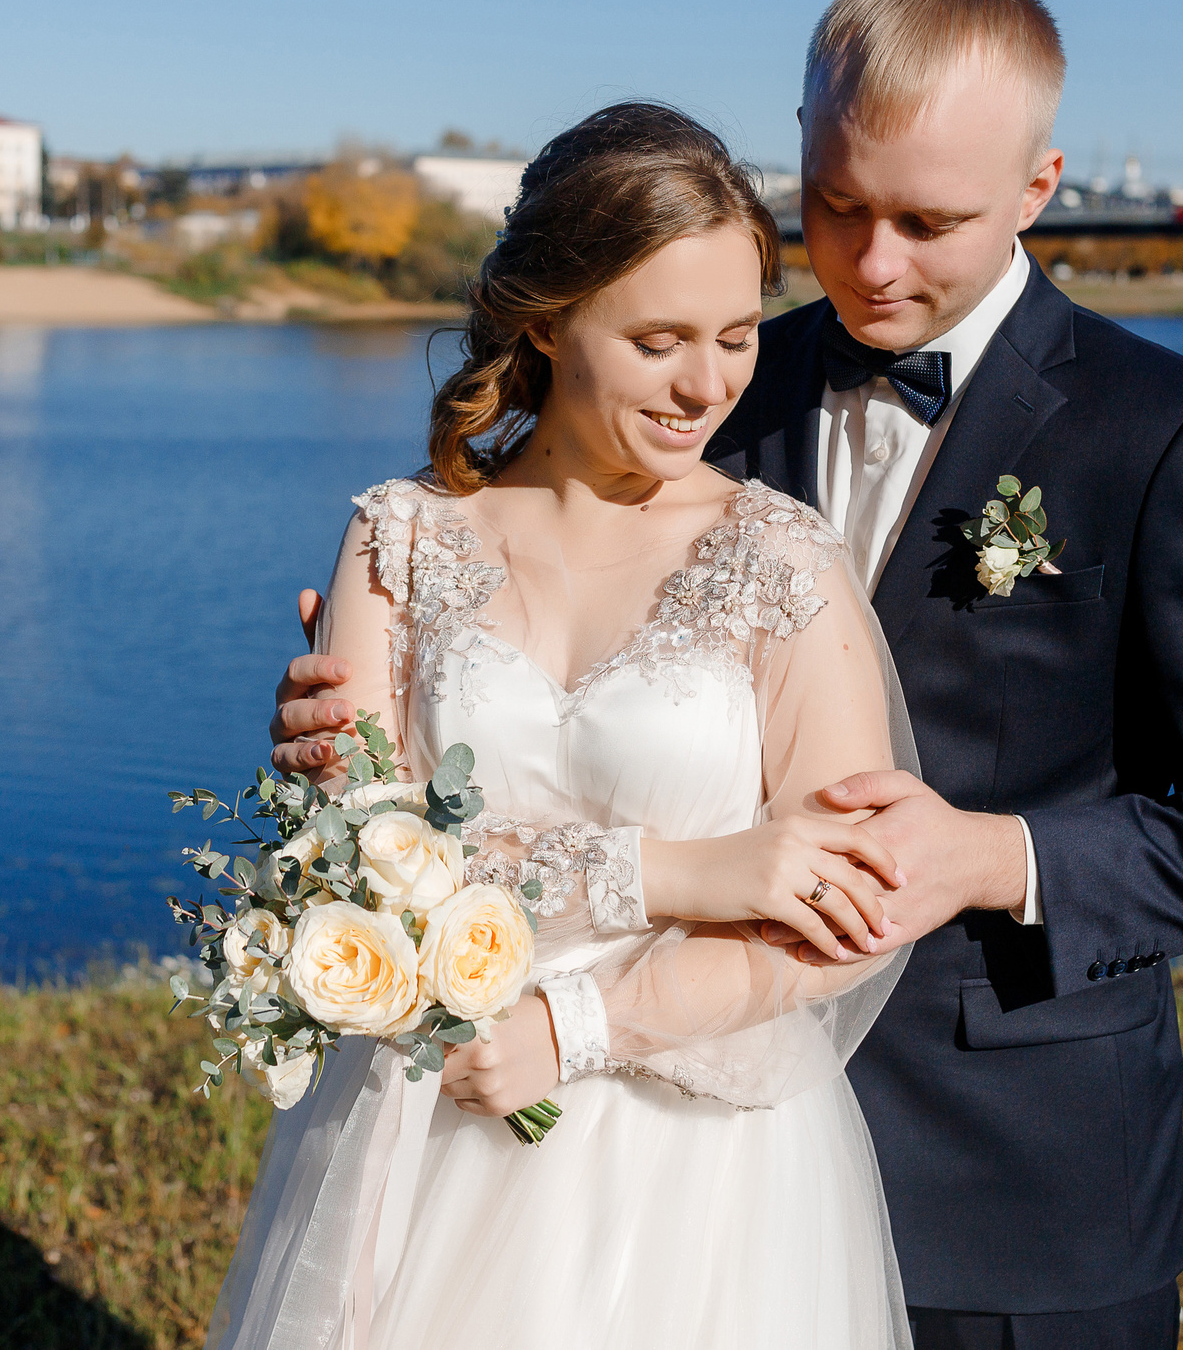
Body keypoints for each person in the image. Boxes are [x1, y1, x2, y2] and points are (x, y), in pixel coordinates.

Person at [267, 0, 1183, 1349]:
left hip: (1011, 1181)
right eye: (838, 204)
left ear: (1039, 185)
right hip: (641, 1158)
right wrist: (366, 730)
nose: (872, 261)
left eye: (929, 220)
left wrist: (992, 855)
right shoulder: (706, 365)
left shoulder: (1164, 433)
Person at [212, 103, 926, 1350]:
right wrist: (677, 872)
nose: (707, 385)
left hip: (698, 1172)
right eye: (657, 341)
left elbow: (854, 911)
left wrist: (573, 1027)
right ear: (545, 320)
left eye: (736, 336)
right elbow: (351, 863)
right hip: (431, 1126)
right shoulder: (399, 541)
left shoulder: (781, 562)